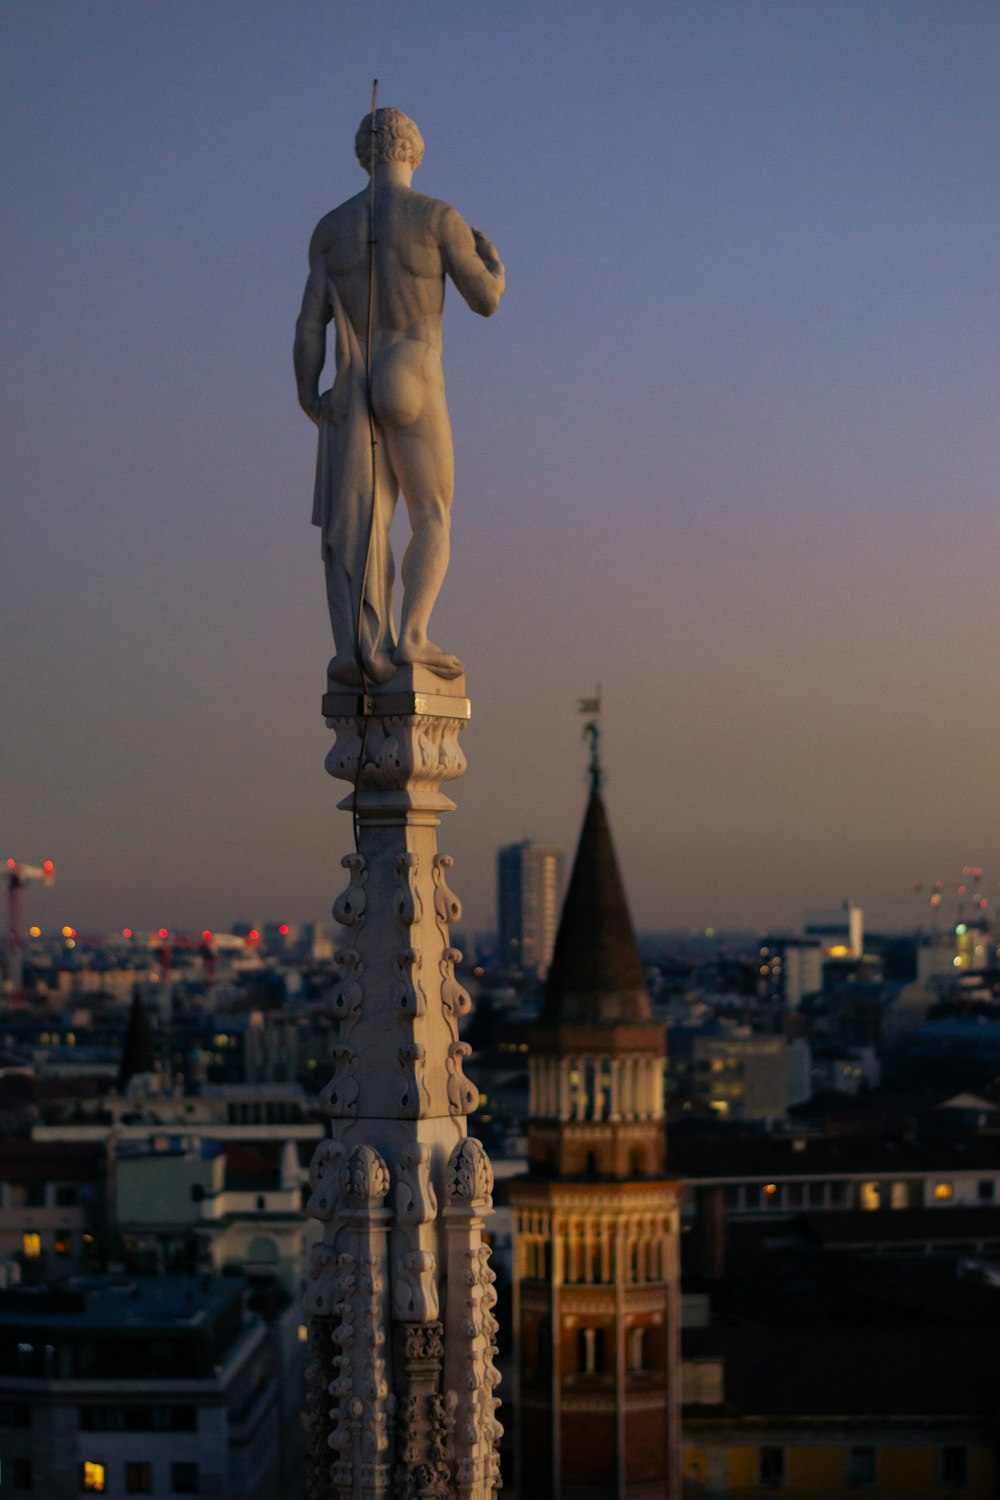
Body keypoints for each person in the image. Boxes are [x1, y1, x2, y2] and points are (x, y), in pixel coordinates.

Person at [294, 107, 505, 686]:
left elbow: (310, 325)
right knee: (431, 514)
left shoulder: (331, 228)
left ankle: (365, 644)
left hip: (352, 379)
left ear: (364, 154)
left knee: (364, 525)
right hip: (411, 368)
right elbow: (484, 300)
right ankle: (412, 635)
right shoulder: (436, 217)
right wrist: (495, 265)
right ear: (414, 150)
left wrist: (308, 393)